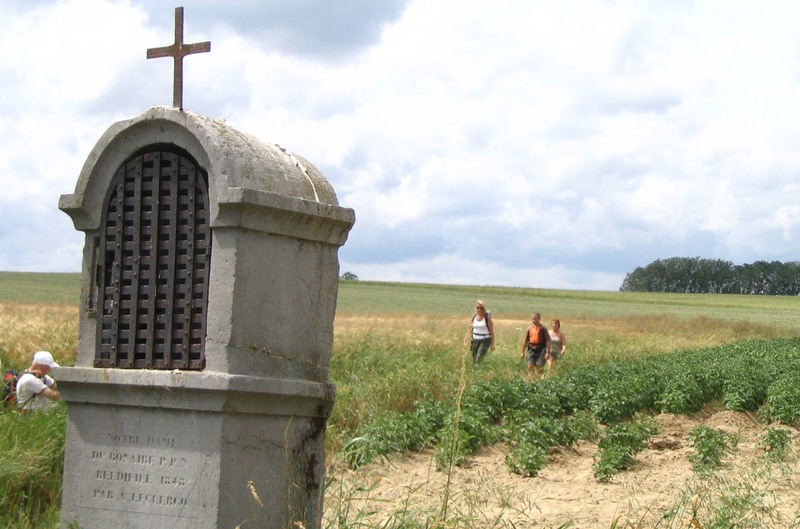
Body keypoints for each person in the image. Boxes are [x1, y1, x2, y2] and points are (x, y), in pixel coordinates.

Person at [519, 312, 550, 379]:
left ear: (539, 319)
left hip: (541, 349)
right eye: (533, 319)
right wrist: (522, 352)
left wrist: (548, 352)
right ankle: (533, 379)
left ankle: (539, 380)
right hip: (531, 349)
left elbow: (548, 341)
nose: (534, 321)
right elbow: (526, 341)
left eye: (535, 319)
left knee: (539, 366)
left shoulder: (543, 329)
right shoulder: (529, 329)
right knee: (530, 366)